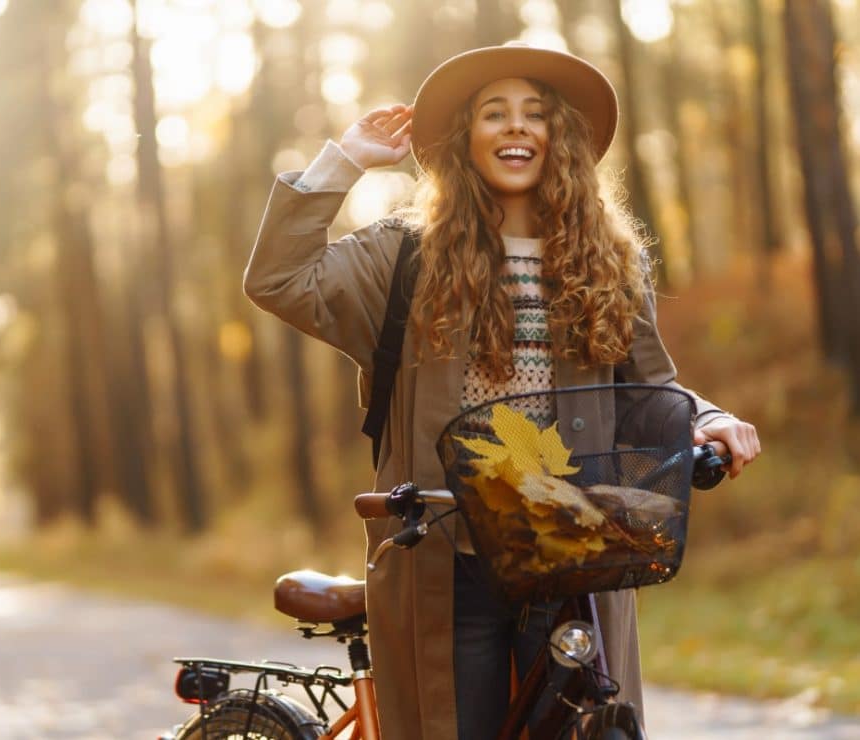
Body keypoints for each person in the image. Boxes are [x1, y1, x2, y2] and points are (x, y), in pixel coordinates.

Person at [244, 43, 760, 740]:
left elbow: (644, 387)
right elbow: (279, 280)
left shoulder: (609, 259)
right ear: (465, 140)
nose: (516, 127)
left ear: (561, 139)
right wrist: (344, 160)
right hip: (446, 552)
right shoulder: (404, 255)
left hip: (572, 547)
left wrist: (709, 417)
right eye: (494, 113)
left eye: (535, 114)